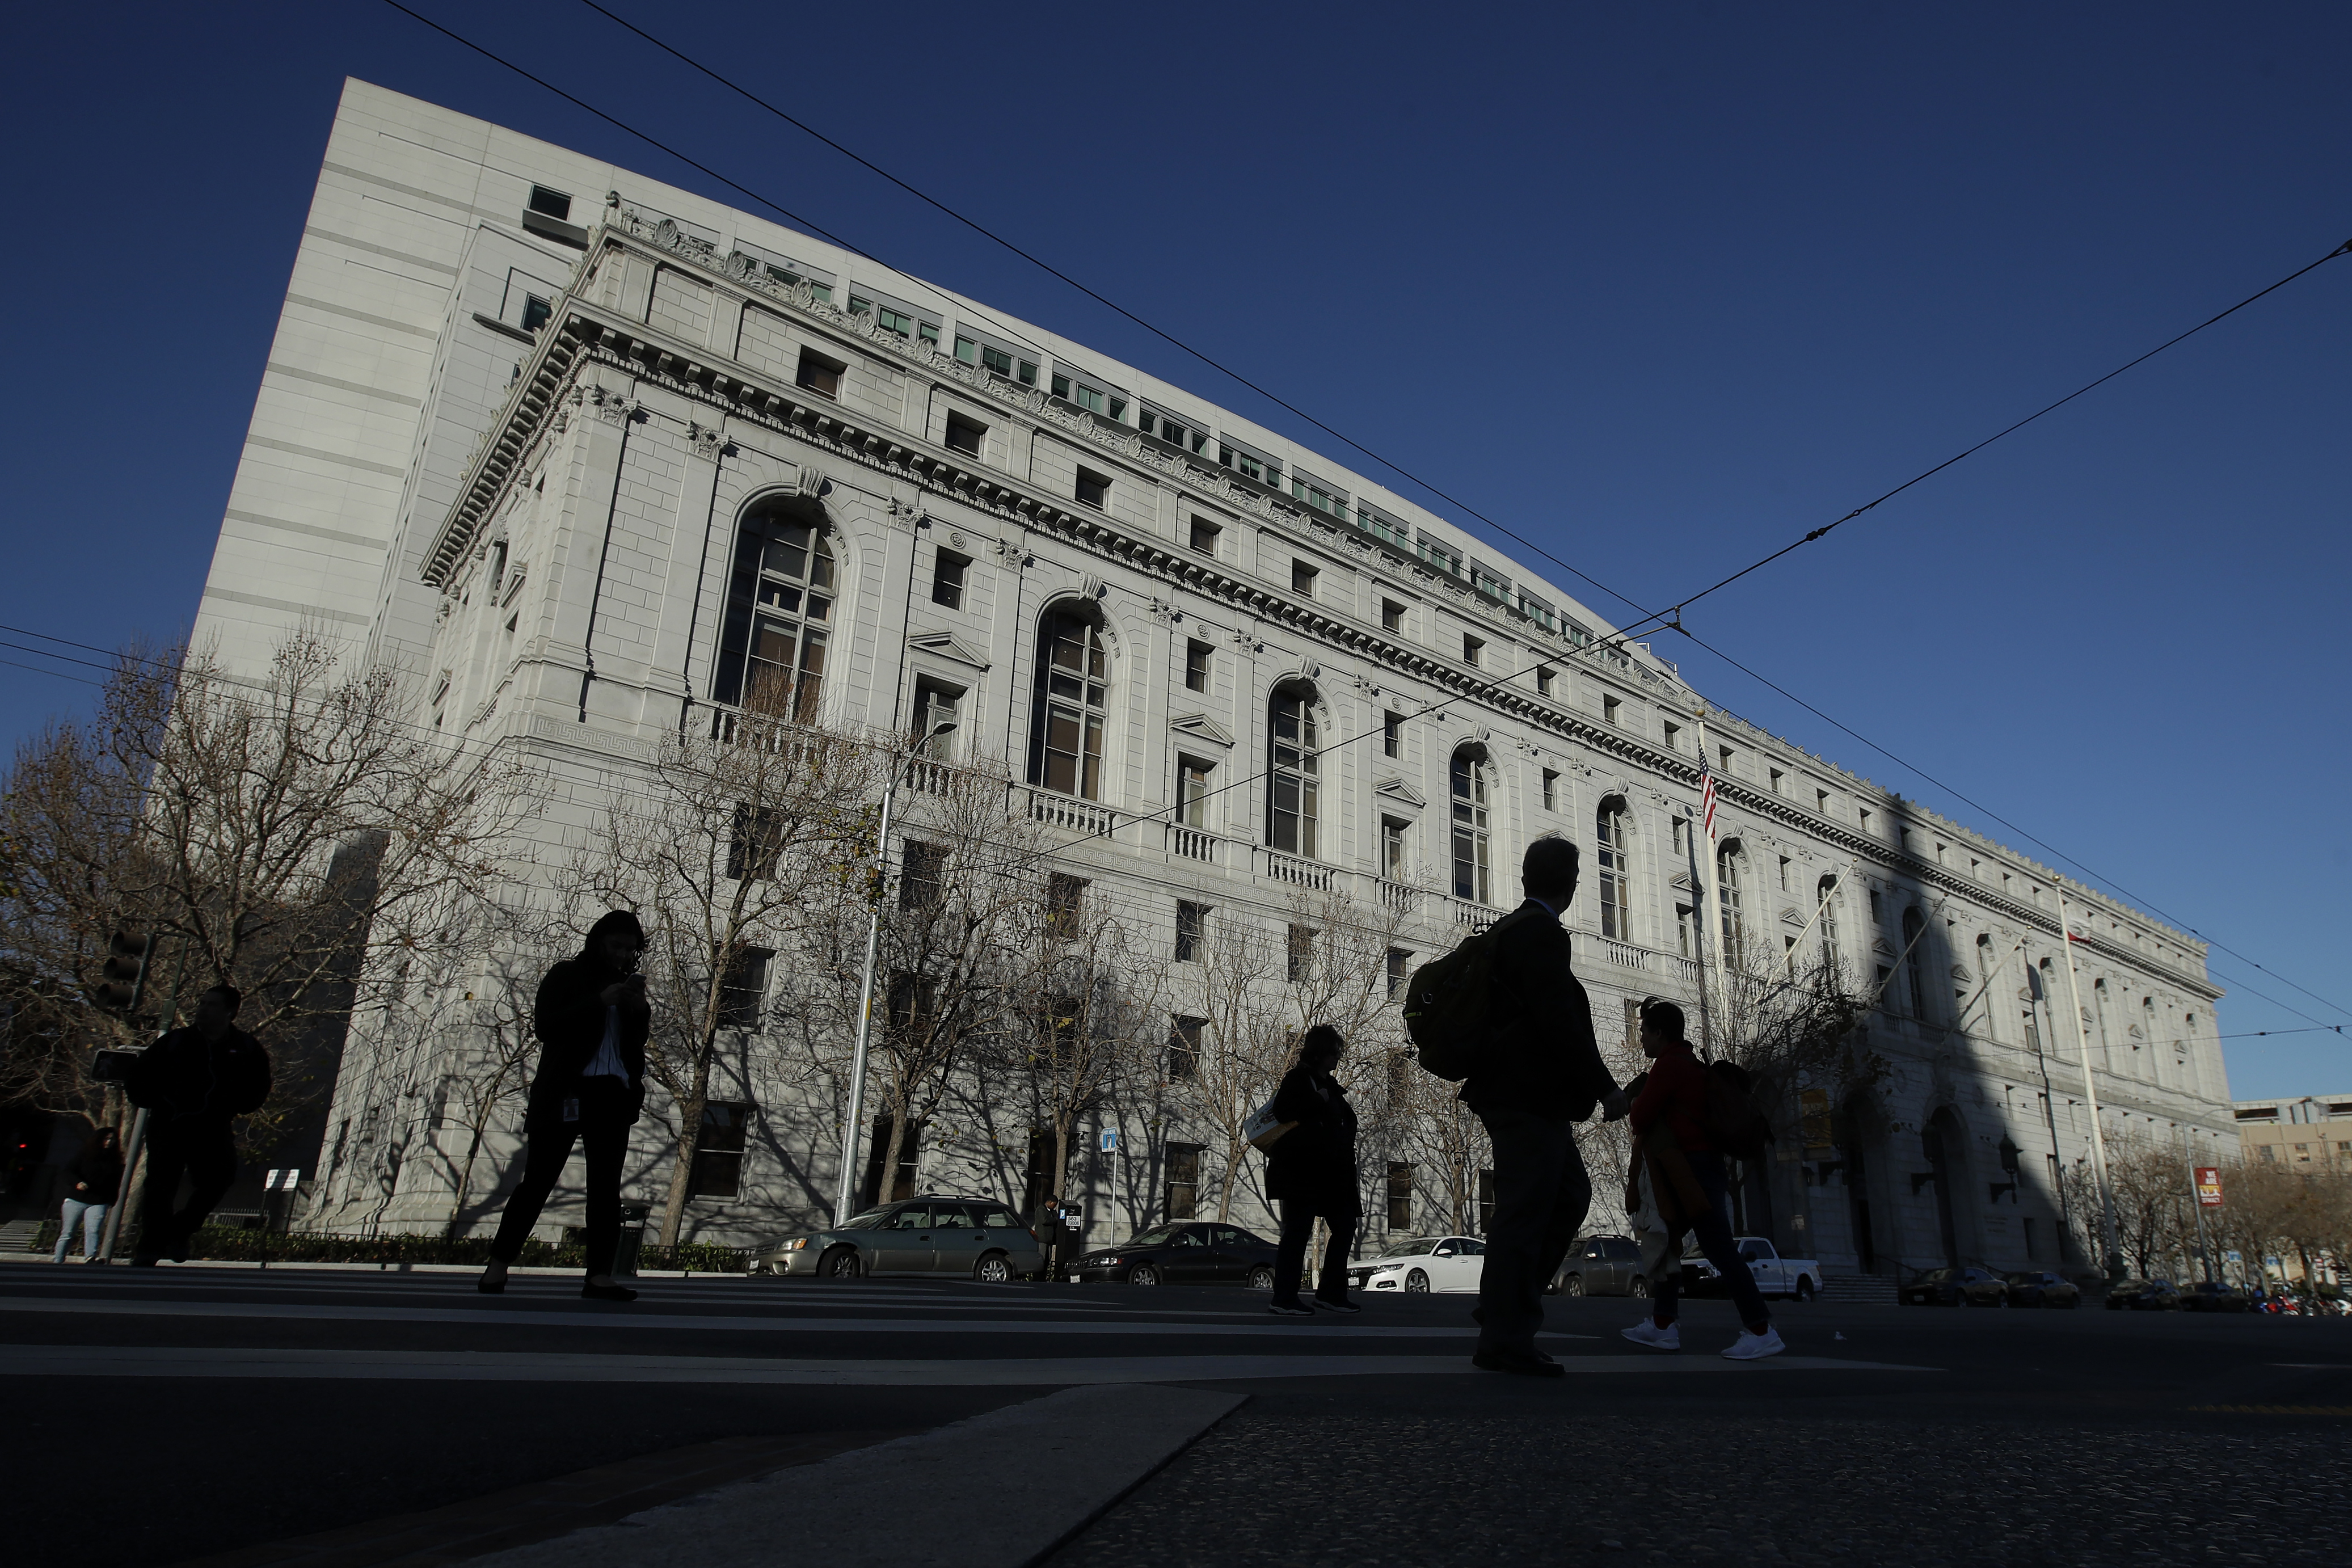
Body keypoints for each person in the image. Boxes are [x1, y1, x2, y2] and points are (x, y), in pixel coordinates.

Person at [1462, 836, 1628, 1376]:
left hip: (1520, 1095)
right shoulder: (1540, 934)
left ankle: (1504, 1304)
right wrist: (1606, 1087)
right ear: (1571, 885)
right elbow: (1559, 1020)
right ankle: (1504, 1338)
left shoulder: (1516, 928)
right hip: (1525, 1097)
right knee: (1525, 1213)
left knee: (1566, 1197)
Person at [478, 911, 651, 1302]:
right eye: (617, 946)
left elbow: (633, 1045)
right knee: (538, 1180)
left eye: (630, 949)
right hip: (567, 1091)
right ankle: (498, 1265)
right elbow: (546, 1025)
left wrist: (638, 1010)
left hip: (612, 1092)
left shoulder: (626, 985)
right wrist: (598, 1002)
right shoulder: (566, 975)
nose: (623, 955)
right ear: (598, 942)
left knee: (606, 1188)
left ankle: (599, 1276)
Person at [1620, 1000, 1785, 1360]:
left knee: (1718, 1248)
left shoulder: (1669, 1066)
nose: (1642, 1039)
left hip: (1689, 1170)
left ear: (1660, 1033)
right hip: (1699, 1166)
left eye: (1645, 1031)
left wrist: (1637, 1102)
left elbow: (1641, 1118)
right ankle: (1662, 1325)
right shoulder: (1692, 1063)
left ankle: (1761, 1330)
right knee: (1670, 1243)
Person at [123, 984, 272, 1266]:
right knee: (160, 1185)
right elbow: (139, 1076)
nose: (203, 1008)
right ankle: (150, 1247)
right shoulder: (175, 1042)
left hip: (213, 1127)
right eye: (201, 1002)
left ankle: (180, 1231)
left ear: (230, 1012)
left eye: (211, 1004)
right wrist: (156, 1100)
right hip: (170, 1124)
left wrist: (237, 1103)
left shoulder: (246, 1048)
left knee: (220, 1178)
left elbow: (259, 1085)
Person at [1263, 1024, 1362, 1316]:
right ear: (1320, 1053)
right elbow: (1282, 1111)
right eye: (1333, 1052)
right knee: (1298, 1231)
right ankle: (1284, 1297)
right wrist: (1317, 1100)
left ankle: (1330, 1293)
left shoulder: (1330, 1086)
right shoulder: (1299, 1079)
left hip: (1333, 1174)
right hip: (1302, 1172)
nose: (1337, 1058)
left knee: (1345, 1227)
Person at [53, 1125, 124, 1263]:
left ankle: (90, 1257)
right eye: (106, 1139)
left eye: (112, 1139)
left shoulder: (114, 1161)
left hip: (99, 1200)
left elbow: (115, 1182)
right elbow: (68, 1171)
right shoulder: (84, 1156)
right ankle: (58, 1260)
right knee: (68, 1232)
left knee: (93, 1230)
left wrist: (112, 1199)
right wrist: (78, 1183)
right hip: (76, 1199)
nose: (109, 1142)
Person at [1034, 1194, 1066, 1279]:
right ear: (1050, 1202)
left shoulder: (1051, 1212)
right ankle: (1038, 1277)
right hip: (1042, 1238)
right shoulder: (1041, 1209)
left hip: (1050, 1239)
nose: (1054, 1207)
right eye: (1054, 1204)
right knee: (1042, 1258)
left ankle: (1044, 1276)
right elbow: (1045, 1220)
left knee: (1048, 1259)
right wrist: (1055, 1220)